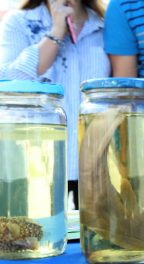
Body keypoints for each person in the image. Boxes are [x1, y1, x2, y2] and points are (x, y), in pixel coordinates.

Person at [0, 0, 111, 209]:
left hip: (96, 159)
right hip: (36, 158)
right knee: (38, 236)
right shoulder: (19, 22)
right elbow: (10, 82)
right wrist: (56, 31)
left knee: (95, 236)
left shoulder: (104, 25)